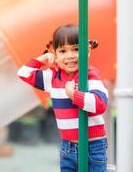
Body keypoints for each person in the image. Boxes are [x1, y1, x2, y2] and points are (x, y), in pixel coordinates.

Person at [17, 24, 108, 172]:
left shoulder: (89, 75)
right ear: (55, 54)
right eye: (63, 51)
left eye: (76, 49)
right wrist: (44, 58)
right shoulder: (53, 77)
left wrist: (73, 95)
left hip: (93, 146)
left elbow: (100, 105)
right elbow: (23, 73)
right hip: (68, 146)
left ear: (87, 51)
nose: (70, 55)